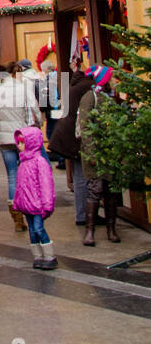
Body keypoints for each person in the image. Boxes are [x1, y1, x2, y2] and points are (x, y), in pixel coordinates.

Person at [0, 60, 43, 231]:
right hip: (24, 138)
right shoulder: (23, 89)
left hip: (6, 139)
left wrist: (0, 129)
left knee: (12, 175)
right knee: (28, 174)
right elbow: (34, 110)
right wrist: (38, 125)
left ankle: (16, 215)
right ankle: (31, 206)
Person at [76, 65, 121, 246]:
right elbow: (85, 127)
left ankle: (111, 229)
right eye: (111, 78)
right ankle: (90, 231)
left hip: (110, 152)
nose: (114, 81)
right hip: (95, 152)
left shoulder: (111, 99)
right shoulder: (90, 97)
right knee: (95, 189)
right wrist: (92, 152)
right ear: (105, 80)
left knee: (111, 191)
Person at [48, 62, 90, 228]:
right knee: (82, 176)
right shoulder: (88, 88)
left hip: (68, 134)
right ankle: (84, 215)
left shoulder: (76, 85)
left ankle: (83, 214)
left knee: (80, 176)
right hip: (76, 137)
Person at [13, 126, 57, 269]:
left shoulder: (39, 162)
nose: (19, 145)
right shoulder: (23, 162)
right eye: (18, 142)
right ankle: (38, 256)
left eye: (22, 142)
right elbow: (20, 186)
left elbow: (46, 184)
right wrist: (18, 202)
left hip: (38, 204)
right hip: (28, 204)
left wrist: (47, 204)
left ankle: (49, 256)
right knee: (33, 231)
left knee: (38, 228)